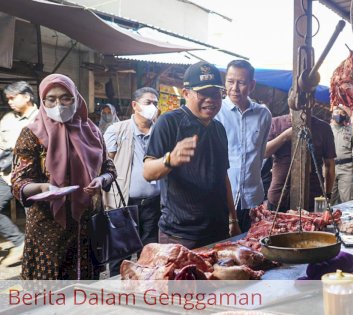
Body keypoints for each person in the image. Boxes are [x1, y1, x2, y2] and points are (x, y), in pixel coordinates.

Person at [12, 74, 116, 279]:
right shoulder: (32, 134)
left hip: (87, 225)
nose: (58, 104)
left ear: (76, 98)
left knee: (84, 292)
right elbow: (18, 182)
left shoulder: (92, 131)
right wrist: (42, 188)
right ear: (42, 101)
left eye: (65, 97)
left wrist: (102, 180)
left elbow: (109, 167)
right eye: (51, 99)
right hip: (48, 228)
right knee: (49, 295)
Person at [143, 61, 241, 249]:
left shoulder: (218, 128)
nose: (211, 99)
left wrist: (233, 220)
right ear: (186, 93)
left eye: (215, 94)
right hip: (180, 235)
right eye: (203, 93)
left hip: (218, 231)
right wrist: (170, 160)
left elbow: (223, 177)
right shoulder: (169, 123)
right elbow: (148, 172)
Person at [103, 87, 161, 276]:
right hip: (123, 205)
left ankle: (144, 295)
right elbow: (105, 164)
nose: (152, 107)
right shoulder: (116, 130)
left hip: (153, 205)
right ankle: (115, 297)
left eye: (155, 103)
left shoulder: (160, 131)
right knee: (120, 258)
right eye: (148, 102)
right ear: (135, 105)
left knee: (149, 256)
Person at [215, 60, 272, 232]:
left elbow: (261, 153)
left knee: (251, 250)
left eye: (241, 83)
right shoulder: (216, 112)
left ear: (252, 85)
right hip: (222, 199)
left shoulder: (263, 114)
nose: (234, 88)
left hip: (252, 199)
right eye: (230, 82)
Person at [0, 81, 39, 266]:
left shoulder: (41, 118)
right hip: (7, 175)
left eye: (13, 97)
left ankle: (37, 256)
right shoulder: (7, 119)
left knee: (35, 218)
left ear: (27, 96)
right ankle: (19, 242)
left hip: (33, 179)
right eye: (8, 98)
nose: (10, 102)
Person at [265, 112, 336, 211]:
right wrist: (284, 136)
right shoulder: (275, 123)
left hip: (313, 197)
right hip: (279, 195)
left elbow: (329, 164)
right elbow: (264, 153)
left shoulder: (323, 128)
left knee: (312, 226)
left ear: (312, 102)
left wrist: (327, 194)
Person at [330, 106, 353, 205]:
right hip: (329, 168)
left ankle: (347, 220)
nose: (339, 115)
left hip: (346, 169)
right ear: (332, 114)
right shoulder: (326, 129)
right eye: (336, 112)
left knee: (348, 201)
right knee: (328, 201)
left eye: (342, 113)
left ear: (346, 116)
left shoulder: (351, 131)